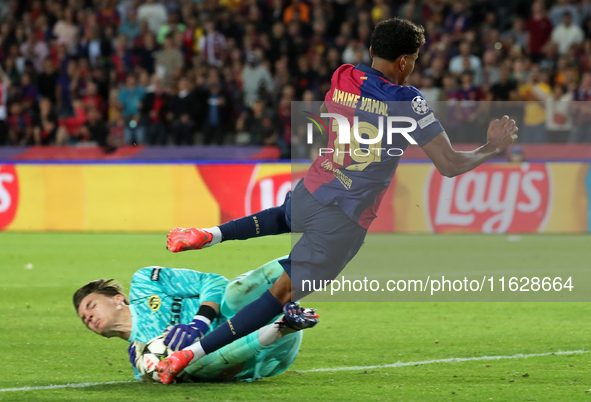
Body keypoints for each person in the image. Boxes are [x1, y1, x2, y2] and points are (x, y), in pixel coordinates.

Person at [156, 17, 518, 384]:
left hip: (315, 185)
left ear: (373, 50)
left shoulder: (342, 75)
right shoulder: (408, 101)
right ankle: (189, 354)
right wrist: (491, 147)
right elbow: (450, 164)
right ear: (405, 61)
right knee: (281, 294)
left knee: (284, 215)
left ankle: (208, 234)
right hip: (344, 219)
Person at [74, 257, 317, 382]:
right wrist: (151, 374)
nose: (89, 317)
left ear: (117, 299)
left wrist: (199, 322)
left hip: (260, 309)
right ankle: (286, 326)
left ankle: (316, 255)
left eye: (91, 306)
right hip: (266, 352)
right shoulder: (141, 360)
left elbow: (212, 281)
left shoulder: (146, 282)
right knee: (186, 364)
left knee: (232, 294)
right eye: (84, 319)